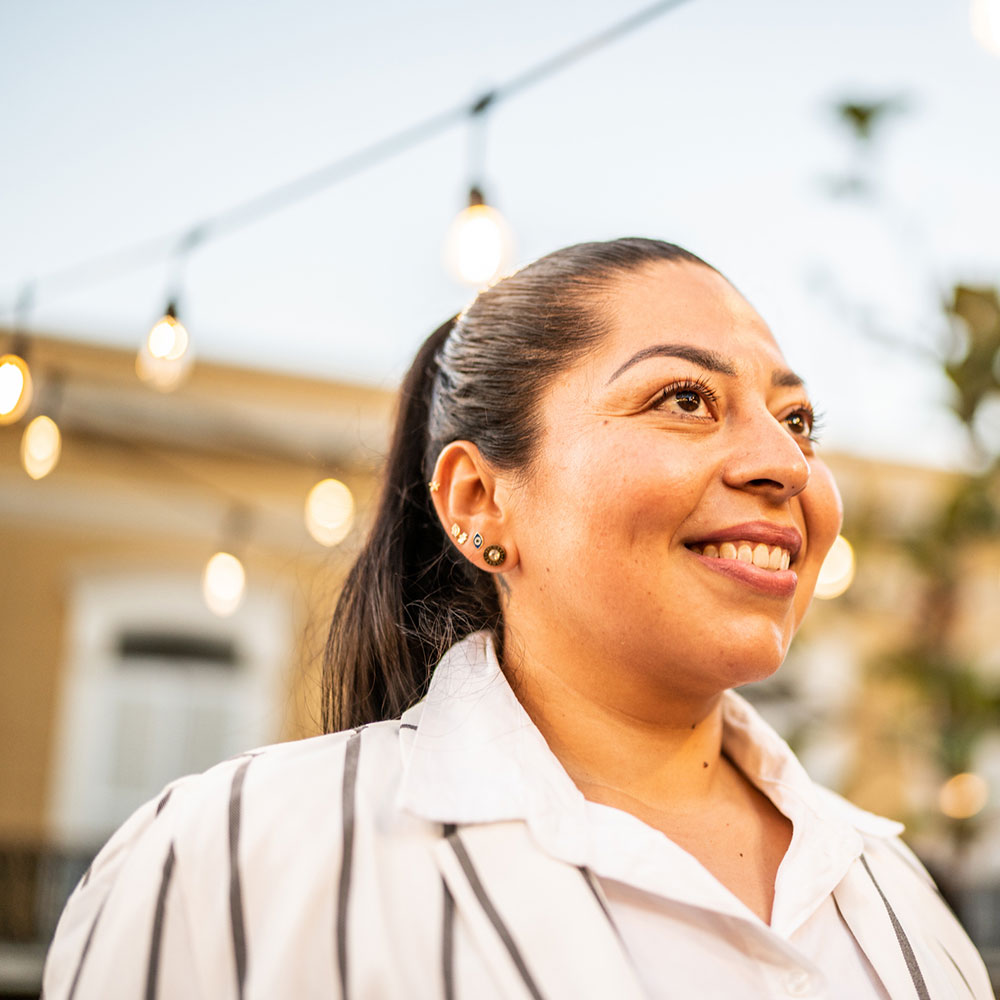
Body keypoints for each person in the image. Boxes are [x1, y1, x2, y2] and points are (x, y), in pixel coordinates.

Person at [44, 238, 993, 1000]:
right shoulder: (229, 858)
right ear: (479, 501)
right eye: (685, 399)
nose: (785, 464)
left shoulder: (894, 890)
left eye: (799, 423)